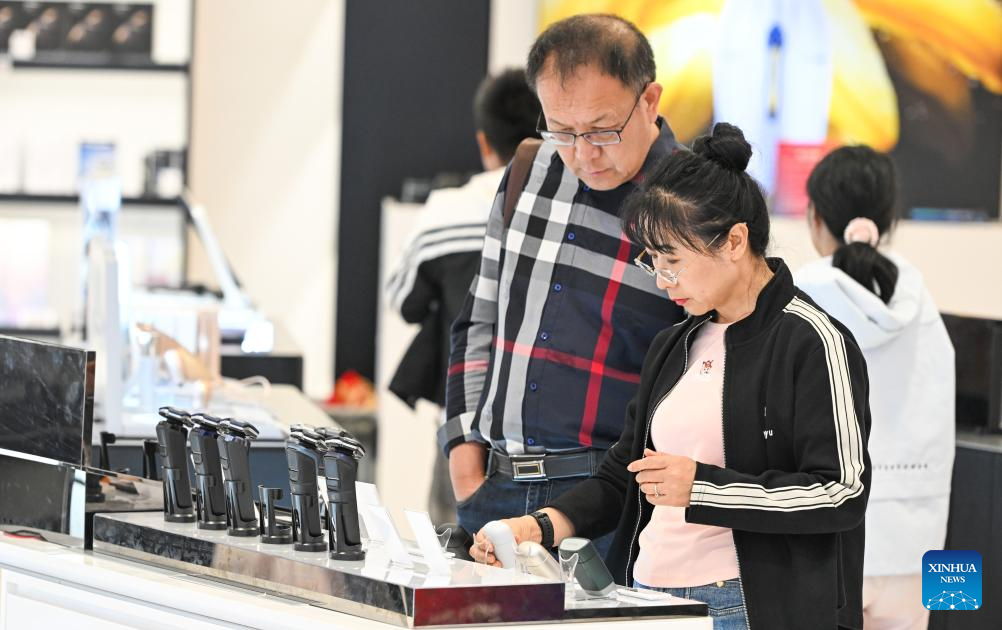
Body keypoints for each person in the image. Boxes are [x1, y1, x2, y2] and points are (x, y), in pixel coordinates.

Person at [470, 123, 872, 630]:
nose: (663, 282)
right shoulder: (674, 343)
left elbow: (841, 492)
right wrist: (538, 527)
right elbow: (623, 475)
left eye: (673, 261)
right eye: (653, 262)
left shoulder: (813, 341)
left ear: (734, 241)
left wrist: (703, 488)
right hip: (646, 593)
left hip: (743, 606)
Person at [443, 14, 686, 544]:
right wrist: (465, 462)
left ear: (649, 100)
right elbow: (479, 320)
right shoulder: (529, 170)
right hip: (496, 486)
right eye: (562, 130)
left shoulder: (692, 200)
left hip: (611, 505)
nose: (583, 153)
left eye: (602, 130)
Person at [796, 145, 954, 630]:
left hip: (824, 540)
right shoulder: (921, 298)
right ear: (889, 221)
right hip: (920, 546)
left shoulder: (798, 297)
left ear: (815, 217)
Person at [384, 68, 541, 525]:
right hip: (547, 434)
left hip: (462, 425)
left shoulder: (446, 210)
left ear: (483, 142)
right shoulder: (568, 206)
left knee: (451, 547)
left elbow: (404, 301)